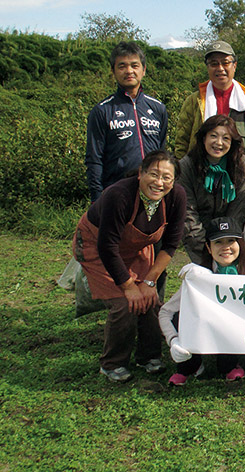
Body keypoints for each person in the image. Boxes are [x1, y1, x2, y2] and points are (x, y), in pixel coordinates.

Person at [72, 150, 187, 382]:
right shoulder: (119, 195)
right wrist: (129, 286)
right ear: (141, 173)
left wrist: (148, 281)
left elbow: (171, 245)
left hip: (136, 248)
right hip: (97, 247)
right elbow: (107, 247)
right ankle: (112, 363)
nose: (159, 182)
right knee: (125, 303)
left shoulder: (176, 197)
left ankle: (149, 356)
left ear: (174, 181)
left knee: (150, 299)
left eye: (166, 177)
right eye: (153, 174)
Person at [160, 217, 245, 385]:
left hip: (235, 328)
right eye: (218, 242)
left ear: (241, 243)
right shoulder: (198, 274)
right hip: (204, 324)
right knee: (183, 313)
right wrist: (174, 340)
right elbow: (166, 312)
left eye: (231, 241)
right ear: (208, 247)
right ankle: (190, 365)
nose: (226, 247)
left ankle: (229, 364)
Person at [174, 40, 245, 183]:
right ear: (207, 67)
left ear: (234, 65)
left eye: (225, 63)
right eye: (214, 64)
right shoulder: (194, 102)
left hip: (242, 178)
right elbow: (182, 143)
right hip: (201, 178)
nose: (220, 68)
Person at [85, 42, 167, 202]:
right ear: (113, 71)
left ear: (143, 70)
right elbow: (94, 159)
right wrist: (97, 199)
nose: (129, 71)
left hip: (152, 192)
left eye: (134, 65)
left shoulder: (158, 108)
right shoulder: (102, 110)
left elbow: (162, 152)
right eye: (122, 66)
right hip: (116, 193)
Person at [178, 115, 245, 267]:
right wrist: (205, 246)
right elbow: (187, 210)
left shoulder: (242, 164)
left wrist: (227, 241)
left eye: (226, 138)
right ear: (203, 138)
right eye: (213, 136)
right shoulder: (187, 165)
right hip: (197, 237)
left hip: (230, 239)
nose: (219, 143)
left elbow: (239, 207)